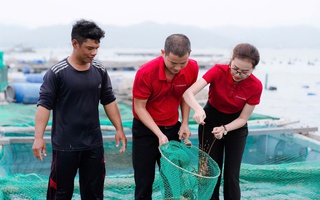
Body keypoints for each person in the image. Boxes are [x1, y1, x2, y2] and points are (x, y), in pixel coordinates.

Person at [32, 19, 127, 200]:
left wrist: (119, 129)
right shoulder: (57, 72)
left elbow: (109, 100)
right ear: (75, 43)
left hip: (93, 144)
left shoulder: (99, 69)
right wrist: (38, 138)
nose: (94, 53)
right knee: (60, 194)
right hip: (65, 146)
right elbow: (44, 105)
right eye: (89, 48)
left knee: (94, 194)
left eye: (97, 48)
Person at [183, 43, 262, 200]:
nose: (238, 74)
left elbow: (243, 118)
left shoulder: (256, 86)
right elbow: (188, 93)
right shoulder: (218, 71)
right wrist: (198, 109)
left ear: (253, 69)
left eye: (245, 72)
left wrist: (225, 128)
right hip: (210, 122)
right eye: (235, 68)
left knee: (232, 175)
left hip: (235, 126)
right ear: (231, 60)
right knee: (208, 173)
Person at [131, 33, 199, 199]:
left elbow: (186, 95)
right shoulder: (146, 73)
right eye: (173, 62)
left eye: (182, 63)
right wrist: (159, 134)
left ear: (190, 53)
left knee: (172, 179)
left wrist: (184, 123)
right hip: (145, 130)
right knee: (144, 179)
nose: (177, 68)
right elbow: (139, 107)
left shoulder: (192, 68)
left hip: (172, 128)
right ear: (163, 52)